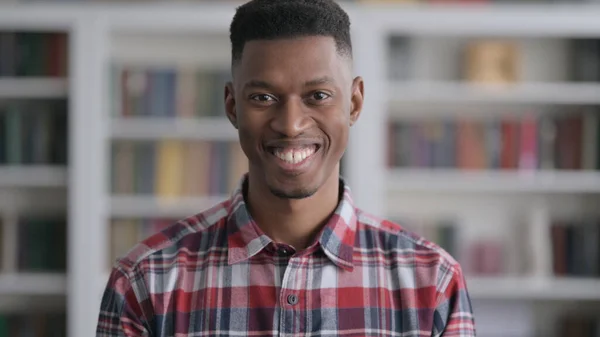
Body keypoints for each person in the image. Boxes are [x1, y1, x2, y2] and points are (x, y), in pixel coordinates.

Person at [96, 0, 476, 336]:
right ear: (232, 106)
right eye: (263, 97)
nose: (291, 124)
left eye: (318, 96)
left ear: (355, 103)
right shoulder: (145, 282)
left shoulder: (433, 283)